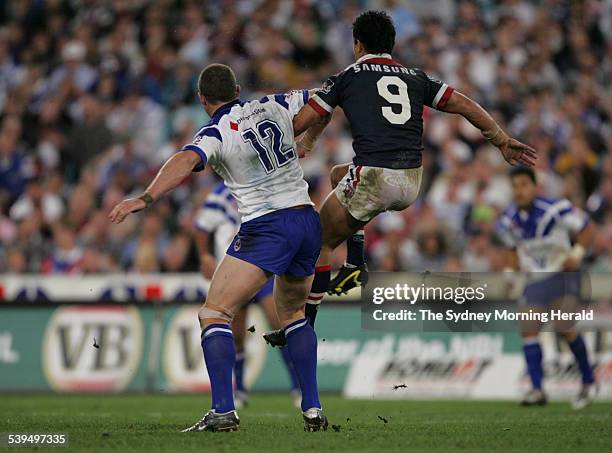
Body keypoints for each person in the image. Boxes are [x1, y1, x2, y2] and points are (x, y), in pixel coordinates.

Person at [264, 10, 536, 347]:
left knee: (319, 242)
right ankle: (355, 260)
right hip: (410, 182)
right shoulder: (415, 76)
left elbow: (308, 117)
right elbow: (463, 104)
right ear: (391, 44)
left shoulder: (347, 76)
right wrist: (500, 139)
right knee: (338, 174)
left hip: (374, 177)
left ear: (357, 44)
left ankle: (304, 330)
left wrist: (294, 141)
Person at [109, 63, 328, 432]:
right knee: (293, 316)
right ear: (238, 88)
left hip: (268, 224)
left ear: (202, 99)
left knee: (214, 313)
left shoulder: (216, 130)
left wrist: (145, 198)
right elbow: (324, 100)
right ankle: (313, 410)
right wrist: (308, 140)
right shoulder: (274, 103)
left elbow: (185, 160)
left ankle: (224, 410)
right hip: (307, 219)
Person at [193, 181, 302, 408]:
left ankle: (297, 386)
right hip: (232, 271)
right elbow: (202, 226)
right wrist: (204, 256)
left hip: (261, 267)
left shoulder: (262, 188)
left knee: (278, 324)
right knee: (237, 334)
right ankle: (240, 389)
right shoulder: (221, 195)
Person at [497, 166, 597, 409]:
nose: (519, 191)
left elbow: (587, 227)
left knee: (564, 325)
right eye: (515, 186)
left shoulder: (555, 209)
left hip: (564, 274)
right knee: (528, 327)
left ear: (535, 187)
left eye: (524, 185)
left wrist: (577, 253)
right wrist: (509, 276)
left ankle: (588, 381)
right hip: (537, 279)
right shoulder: (508, 219)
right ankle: (537, 389)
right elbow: (511, 250)